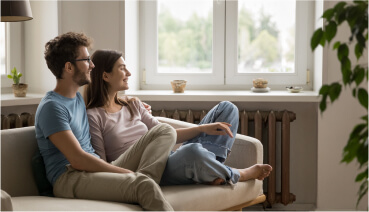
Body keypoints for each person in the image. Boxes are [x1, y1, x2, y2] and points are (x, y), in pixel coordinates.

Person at [84, 49, 272, 187]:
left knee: (227, 108)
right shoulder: (94, 116)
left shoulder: (132, 104)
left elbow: (167, 135)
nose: (129, 73)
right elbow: (101, 164)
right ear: (105, 75)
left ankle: (211, 171)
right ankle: (239, 173)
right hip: (151, 169)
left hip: (169, 156)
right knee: (193, 153)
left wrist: (202, 129)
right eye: (122, 68)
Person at [35, 32, 176, 211]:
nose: (92, 65)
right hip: (70, 178)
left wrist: (132, 103)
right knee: (143, 184)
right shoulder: (52, 107)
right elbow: (78, 160)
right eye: (86, 60)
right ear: (69, 67)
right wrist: (127, 174)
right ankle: (143, 182)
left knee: (164, 130)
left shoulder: (77, 99)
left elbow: (105, 108)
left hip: (94, 168)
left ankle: (142, 179)